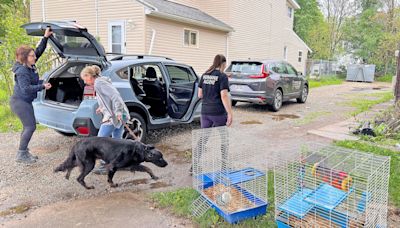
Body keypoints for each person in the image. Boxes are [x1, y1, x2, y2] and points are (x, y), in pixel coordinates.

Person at [11, 28, 53, 164]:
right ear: (24, 58)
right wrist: (42, 86)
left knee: (27, 126)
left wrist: (45, 37)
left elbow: (38, 51)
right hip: (20, 102)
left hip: (24, 101)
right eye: (31, 56)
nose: (35, 57)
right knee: (30, 127)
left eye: (34, 55)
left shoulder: (29, 64)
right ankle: (21, 154)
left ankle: (23, 151)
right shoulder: (22, 71)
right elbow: (26, 88)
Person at [80, 65, 130, 174]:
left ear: (89, 76)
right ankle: (119, 162)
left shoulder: (99, 83)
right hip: (118, 114)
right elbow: (107, 98)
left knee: (100, 140)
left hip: (115, 116)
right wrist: (101, 107)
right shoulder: (100, 82)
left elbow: (115, 96)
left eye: (85, 79)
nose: (84, 82)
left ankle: (105, 165)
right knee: (117, 140)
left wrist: (118, 112)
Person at [198, 54, 233, 128]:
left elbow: (200, 95)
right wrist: (230, 113)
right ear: (223, 64)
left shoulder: (204, 75)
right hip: (218, 112)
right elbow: (224, 96)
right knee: (223, 138)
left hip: (205, 112)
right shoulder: (222, 76)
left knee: (204, 138)